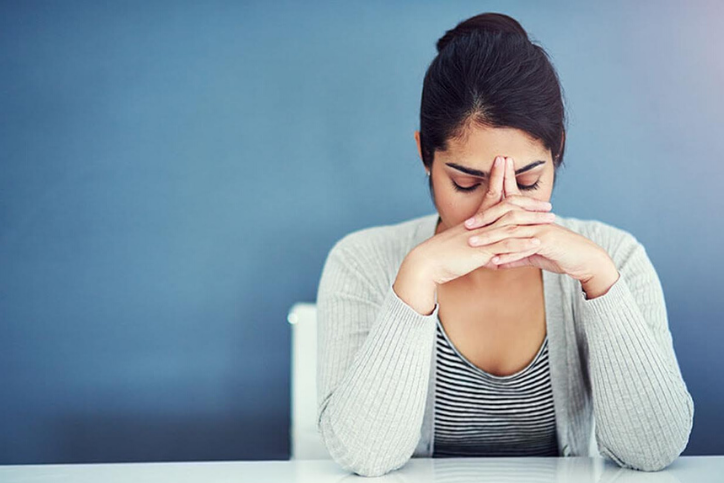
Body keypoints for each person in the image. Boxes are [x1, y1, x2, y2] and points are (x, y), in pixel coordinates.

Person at [315, 12, 694, 478]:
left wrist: (600, 280)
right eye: (466, 182)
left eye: (529, 181)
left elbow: (652, 450)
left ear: (559, 152)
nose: (498, 208)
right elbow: (364, 457)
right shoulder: (360, 262)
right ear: (423, 154)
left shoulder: (616, 256)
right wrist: (416, 279)